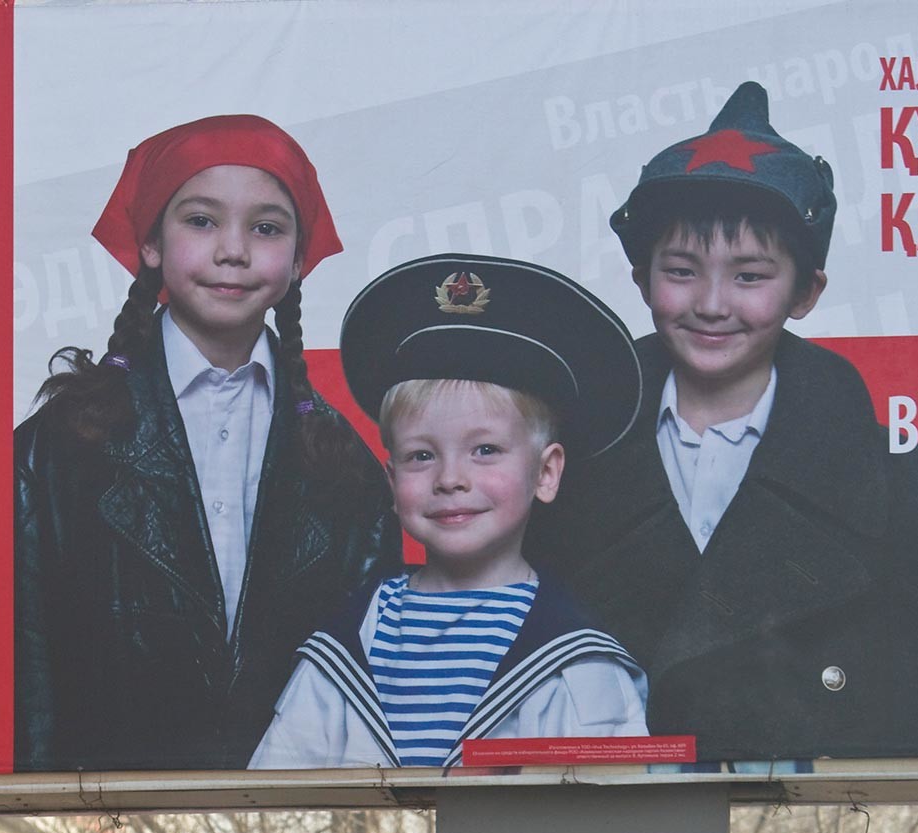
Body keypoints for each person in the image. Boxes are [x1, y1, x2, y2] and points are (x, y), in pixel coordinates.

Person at [529, 82, 918, 763]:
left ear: (806, 292)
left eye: (750, 276)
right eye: (681, 270)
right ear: (642, 278)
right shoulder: (549, 477)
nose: (710, 303)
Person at [14, 114, 399, 773]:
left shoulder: (348, 469)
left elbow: (371, 689)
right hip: (101, 813)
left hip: (287, 820)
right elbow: (30, 671)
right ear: (153, 243)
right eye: (201, 220)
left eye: (267, 228)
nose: (233, 250)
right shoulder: (56, 450)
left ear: (299, 259)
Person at [249, 256, 647, 769]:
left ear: (546, 473)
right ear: (391, 483)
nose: (450, 478)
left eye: (485, 450)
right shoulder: (345, 646)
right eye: (421, 456)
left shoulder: (580, 665)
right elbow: (271, 803)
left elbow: (609, 828)